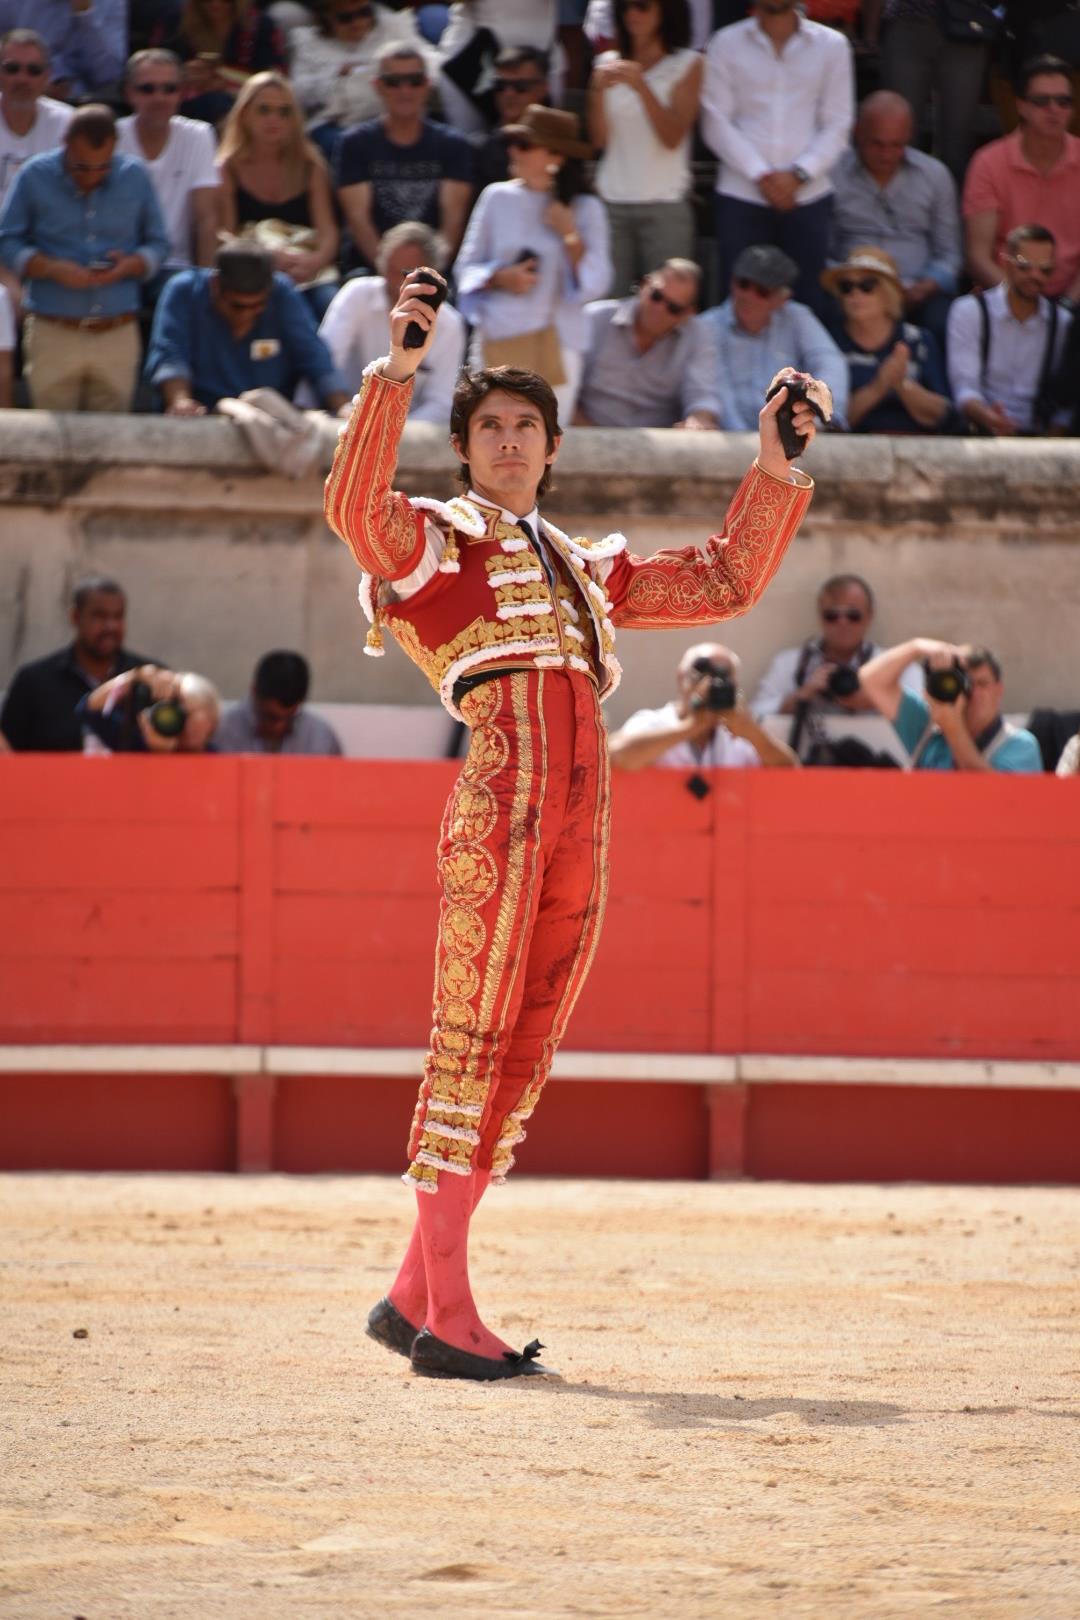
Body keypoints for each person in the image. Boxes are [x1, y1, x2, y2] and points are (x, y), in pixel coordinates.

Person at [324, 265, 818, 1380]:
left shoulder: (587, 569)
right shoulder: (433, 542)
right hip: (500, 811)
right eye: (489, 426)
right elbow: (354, 509)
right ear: (465, 449)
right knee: (472, 1044)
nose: (507, 442)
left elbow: (726, 578)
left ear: (552, 448)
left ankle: (410, 1294)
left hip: (583, 824)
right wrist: (397, 372)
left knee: (519, 1057)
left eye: (525, 427)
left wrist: (775, 467)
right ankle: (449, 1316)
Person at [0, 104, 170, 412]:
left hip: (117, 331)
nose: (91, 177)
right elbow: (6, 241)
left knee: (111, 441)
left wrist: (131, 265)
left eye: (102, 167)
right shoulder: (34, 175)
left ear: (115, 148)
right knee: (52, 443)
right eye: (81, 167)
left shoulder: (135, 177)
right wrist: (49, 267)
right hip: (53, 330)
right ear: (65, 142)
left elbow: (159, 244)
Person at [454, 103, 612, 420]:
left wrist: (569, 234)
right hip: (496, 339)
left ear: (557, 157)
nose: (514, 151)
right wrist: (501, 277)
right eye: (512, 142)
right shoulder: (495, 197)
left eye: (525, 145)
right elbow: (464, 269)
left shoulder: (587, 208)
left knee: (549, 442)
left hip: (560, 344)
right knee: (488, 433)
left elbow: (596, 283)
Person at [701, 0, 854, 319]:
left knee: (806, 307)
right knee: (738, 309)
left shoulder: (833, 45)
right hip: (741, 194)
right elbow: (715, 122)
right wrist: (762, 176)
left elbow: (839, 123)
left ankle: (799, 372)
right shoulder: (725, 43)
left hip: (808, 196)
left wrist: (799, 175)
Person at [145, 240, 350, 415]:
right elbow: (170, 355)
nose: (247, 314)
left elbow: (314, 356)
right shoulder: (184, 291)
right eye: (238, 306)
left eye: (258, 306)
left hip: (269, 415)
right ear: (216, 285)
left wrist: (342, 407)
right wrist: (181, 402)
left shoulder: (282, 292)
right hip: (205, 411)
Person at [586, 0, 701, 298]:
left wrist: (641, 87)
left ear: (667, 11)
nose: (632, 15)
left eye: (641, 6)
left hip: (665, 205)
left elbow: (672, 137)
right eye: (624, 7)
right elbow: (599, 142)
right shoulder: (604, 63)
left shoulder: (690, 63)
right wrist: (596, 92)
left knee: (668, 308)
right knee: (607, 309)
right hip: (612, 203)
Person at [829, 90, 961, 346]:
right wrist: (852, 284)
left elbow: (950, 255)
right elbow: (824, 252)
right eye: (877, 144)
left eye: (897, 145)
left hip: (918, 291)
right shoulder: (834, 176)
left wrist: (925, 287)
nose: (886, 154)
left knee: (945, 321)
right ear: (858, 133)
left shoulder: (935, 176)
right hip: (852, 290)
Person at [751, 571, 922, 761]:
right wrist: (800, 697)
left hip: (881, 770)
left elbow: (923, 726)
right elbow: (755, 716)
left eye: (853, 615)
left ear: (869, 616)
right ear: (820, 616)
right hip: (807, 767)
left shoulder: (896, 667)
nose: (842, 623)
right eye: (832, 615)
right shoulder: (790, 663)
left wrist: (876, 698)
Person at [335, 43, 474, 272]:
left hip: (433, 270)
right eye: (393, 82)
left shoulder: (454, 145)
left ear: (427, 85)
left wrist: (425, 278)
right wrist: (394, 275)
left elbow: (452, 224)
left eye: (414, 81)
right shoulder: (354, 144)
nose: (405, 91)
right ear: (378, 86)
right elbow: (359, 221)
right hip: (371, 270)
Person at [681, 243, 848, 432]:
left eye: (762, 291)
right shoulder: (706, 326)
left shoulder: (797, 317)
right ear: (732, 283)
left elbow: (830, 362)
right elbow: (716, 392)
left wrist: (818, 418)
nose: (748, 296)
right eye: (743, 284)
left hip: (790, 437)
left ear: (782, 298)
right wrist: (752, 444)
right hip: (727, 440)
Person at [218, 71, 341, 321]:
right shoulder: (227, 167)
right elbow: (224, 234)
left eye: (283, 112)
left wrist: (313, 262)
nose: (274, 119)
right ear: (244, 113)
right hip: (252, 267)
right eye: (264, 110)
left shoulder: (311, 165)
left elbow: (328, 232)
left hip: (307, 266)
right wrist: (265, 258)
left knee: (330, 304)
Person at [314, 219, 466, 416]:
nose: (397, 283)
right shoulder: (356, 293)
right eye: (391, 270)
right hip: (344, 419)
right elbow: (326, 359)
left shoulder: (449, 324)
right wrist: (346, 411)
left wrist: (390, 435)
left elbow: (441, 402)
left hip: (411, 436)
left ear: (432, 275)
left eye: (407, 275)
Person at [962, 55, 1080, 306]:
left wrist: (1067, 306)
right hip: (1006, 297)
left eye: (1063, 101)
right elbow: (978, 257)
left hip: (1074, 298)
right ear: (1020, 106)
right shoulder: (988, 162)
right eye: (1041, 101)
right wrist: (1025, 304)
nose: (1054, 109)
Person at [0, 576, 154, 752]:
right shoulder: (33, 682)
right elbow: (8, 756)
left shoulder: (150, 680)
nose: (111, 626)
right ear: (75, 617)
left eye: (118, 616)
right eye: (99, 616)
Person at [946, 223, 1071, 437]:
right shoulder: (968, 311)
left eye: (1045, 269)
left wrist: (1053, 438)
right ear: (1005, 263)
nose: (1036, 276)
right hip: (982, 431)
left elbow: (1066, 398)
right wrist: (987, 416)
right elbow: (964, 389)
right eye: (1025, 267)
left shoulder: (1063, 322)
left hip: (1041, 437)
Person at [115, 49, 220, 293]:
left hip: (176, 268)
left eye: (169, 89)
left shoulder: (199, 135)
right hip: (121, 266)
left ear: (180, 94)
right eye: (147, 89)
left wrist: (206, 283)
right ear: (129, 93)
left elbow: (206, 219)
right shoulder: (113, 135)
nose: (159, 97)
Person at [822, 245, 953, 433]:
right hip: (852, 452)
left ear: (889, 292)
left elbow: (945, 415)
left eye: (867, 286)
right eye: (846, 286)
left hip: (919, 448)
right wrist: (880, 386)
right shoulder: (830, 342)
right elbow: (828, 421)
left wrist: (902, 385)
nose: (855, 294)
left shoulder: (919, 340)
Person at [609, 641, 800, 769]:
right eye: (700, 671)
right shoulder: (655, 723)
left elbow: (791, 772)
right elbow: (615, 756)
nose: (711, 682)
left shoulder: (740, 734)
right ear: (680, 677)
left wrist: (751, 733)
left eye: (724, 675)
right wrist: (690, 727)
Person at [859, 640, 1042, 772]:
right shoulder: (929, 730)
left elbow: (991, 796)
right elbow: (871, 679)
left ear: (999, 690)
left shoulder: (1021, 745)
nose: (973, 693)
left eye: (982, 683)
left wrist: (952, 725)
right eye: (966, 684)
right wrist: (917, 647)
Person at [575, 256, 711, 427]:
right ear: (644, 284)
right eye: (656, 296)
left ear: (688, 314)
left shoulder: (697, 336)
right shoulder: (595, 318)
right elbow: (563, 391)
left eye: (673, 308)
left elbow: (703, 397)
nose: (659, 309)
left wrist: (699, 421)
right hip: (585, 438)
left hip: (661, 449)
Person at [288, 0, 432, 163]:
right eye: (346, 18)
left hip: (396, 118)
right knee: (350, 146)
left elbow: (431, 64)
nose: (358, 23)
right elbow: (297, 93)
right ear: (326, 18)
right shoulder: (308, 44)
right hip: (336, 123)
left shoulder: (393, 27)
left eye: (364, 13)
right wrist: (337, 74)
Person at [866, 0, 991, 185]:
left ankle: (948, 211)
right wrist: (870, 34)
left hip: (967, 22)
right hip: (907, 20)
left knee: (957, 143)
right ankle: (895, 208)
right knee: (897, 133)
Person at [154, 0, 288, 126]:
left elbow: (276, 79)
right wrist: (180, 74)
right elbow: (153, 67)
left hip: (243, 102)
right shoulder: (175, 20)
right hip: (183, 105)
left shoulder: (261, 26)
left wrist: (225, 81)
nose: (216, 3)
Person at [0, 30, 73, 214]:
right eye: (12, 68)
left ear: (47, 77)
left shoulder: (69, 123)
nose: (22, 79)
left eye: (33, 70)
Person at [215, 649, 343, 754]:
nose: (279, 727)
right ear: (254, 691)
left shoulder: (320, 737)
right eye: (270, 717)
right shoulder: (223, 731)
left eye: (290, 718)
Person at [78, 664, 223, 754]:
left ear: (211, 720)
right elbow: (89, 708)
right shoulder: (136, 743)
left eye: (186, 710)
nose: (176, 716)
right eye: (172, 706)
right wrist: (134, 677)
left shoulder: (221, 762)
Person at [0, 0, 126, 102]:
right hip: (18, 89)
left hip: (84, 101)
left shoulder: (111, 3)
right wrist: (39, 81)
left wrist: (84, 13)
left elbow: (109, 74)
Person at [470, 47, 551, 189]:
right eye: (500, 86)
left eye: (520, 86)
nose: (508, 94)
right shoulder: (477, 149)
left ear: (543, 88)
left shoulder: (559, 148)